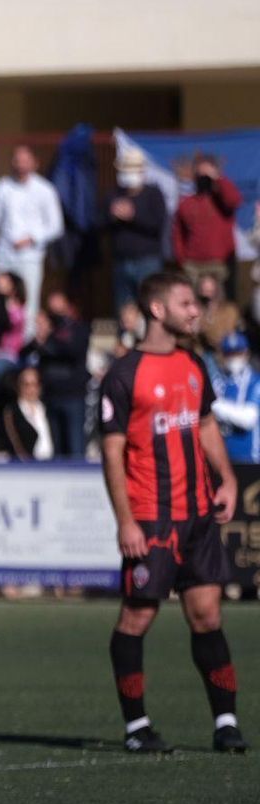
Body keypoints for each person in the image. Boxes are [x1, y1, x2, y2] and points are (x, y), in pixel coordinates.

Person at [97, 271, 246, 755]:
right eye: (185, 302)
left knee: (206, 615)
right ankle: (136, 727)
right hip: (152, 520)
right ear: (157, 309)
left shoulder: (193, 363)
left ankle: (225, 722)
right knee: (136, 619)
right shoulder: (123, 374)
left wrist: (224, 477)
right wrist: (125, 519)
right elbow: (112, 453)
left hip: (198, 516)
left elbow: (204, 424)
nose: (195, 309)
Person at [0, 145, 64, 340]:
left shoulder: (45, 190)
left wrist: (32, 238)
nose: (21, 165)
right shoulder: (3, 187)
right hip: (4, 255)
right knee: (0, 301)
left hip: (30, 258)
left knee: (29, 302)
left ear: (35, 163)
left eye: (26, 161)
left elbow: (56, 225)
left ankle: (26, 343)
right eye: (17, 160)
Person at [24, 291, 91, 459]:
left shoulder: (79, 329)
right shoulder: (46, 332)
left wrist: (47, 341)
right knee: (57, 450)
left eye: (58, 308)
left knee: (75, 448)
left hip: (73, 396)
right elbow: (24, 352)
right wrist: (40, 337)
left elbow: (72, 351)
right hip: (51, 396)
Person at [105, 148, 168, 312]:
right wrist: (112, 215)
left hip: (147, 261)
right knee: (124, 309)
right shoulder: (114, 194)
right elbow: (100, 224)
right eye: (125, 170)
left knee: (149, 305)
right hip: (121, 261)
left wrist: (133, 216)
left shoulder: (153, 194)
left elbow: (158, 224)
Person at [173, 153, 242, 290]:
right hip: (194, 266)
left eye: (207, 174)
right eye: (200, 174)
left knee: (223, 307)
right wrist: (183, 260)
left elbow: (234, 199)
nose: (203, 178)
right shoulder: (187, 203)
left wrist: (217, 177)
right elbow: (178, 234)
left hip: (220, 264)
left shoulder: (222, 200)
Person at [211, 332, 260, 465]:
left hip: (251, 460)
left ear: (246, 353)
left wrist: (216, 405)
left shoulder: (255, 381)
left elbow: (248, 418)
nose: (234, 358)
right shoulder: (218, 382)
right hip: (224, 460)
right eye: (229, 354)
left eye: (238, 353)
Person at [2, 367, 54, 461]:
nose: (31, 389)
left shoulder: (49, 410)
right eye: (26, 385)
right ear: (18, 386)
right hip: (27, 468)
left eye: (34, 384)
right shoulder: (12, 412)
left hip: (54, 465)